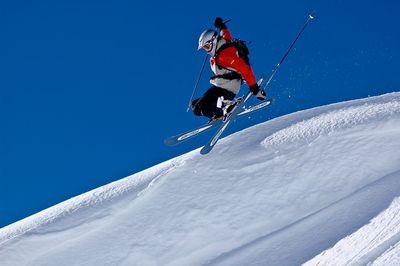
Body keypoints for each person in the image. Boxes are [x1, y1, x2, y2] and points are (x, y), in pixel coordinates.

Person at [191, 17, 266, 120]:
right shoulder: (223, 43)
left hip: (226, 88)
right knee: (195, 104)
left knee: (198, 109)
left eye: (207, 47)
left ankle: (224, 107)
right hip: (221, 86)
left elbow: (245, 68)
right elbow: (226, 35)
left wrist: (255, 88)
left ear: (213, 41)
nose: (207, 51)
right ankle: (222, 107)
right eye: (205, 48)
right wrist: (222, 26)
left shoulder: (223, 56)